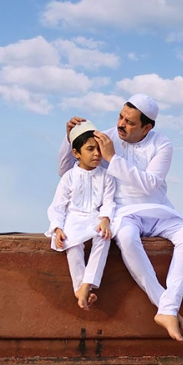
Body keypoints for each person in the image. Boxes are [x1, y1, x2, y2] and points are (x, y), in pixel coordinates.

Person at [59, 94, 183, 342]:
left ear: (147, 128)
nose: (121, 124)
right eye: (121, 117)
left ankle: (167, 309)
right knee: (125, 236)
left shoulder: (162, 144)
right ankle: (166, 308)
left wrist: (112, 158)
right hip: (123, 212)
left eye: (130, 122)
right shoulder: (105, 136)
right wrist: (68, 137)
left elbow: (150, 184)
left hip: (158, 209)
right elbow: (68, 173)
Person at [47, 120, 116, 311]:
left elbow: (109, 202)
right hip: (73, 219)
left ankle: (88, 283)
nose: (97, 154)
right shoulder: (69, 176)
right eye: (90, 149)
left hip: (96, 218)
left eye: (99, 149)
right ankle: (79, 288)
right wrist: (57, 228)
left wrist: (105, 219)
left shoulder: (107, 176)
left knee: (104, 237)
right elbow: (58, 206)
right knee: (72, 243)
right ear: (76, 153)